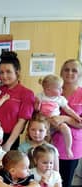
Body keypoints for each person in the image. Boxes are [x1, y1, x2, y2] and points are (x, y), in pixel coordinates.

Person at [0, 51, 35, 151]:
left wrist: (8, 144)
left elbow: (21, 122)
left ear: (17, 72)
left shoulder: (26, 93)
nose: (4, 76)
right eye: (1, 72)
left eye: (8, 72)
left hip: (9, 138)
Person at [50, 59, 82, 187]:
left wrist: (65, 119)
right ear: (61, 72)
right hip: (50, 143)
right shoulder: (52, 90)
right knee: (48, 181)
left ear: (79, 74)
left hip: (71, 147)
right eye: (66, 69)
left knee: (64, 183)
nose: (70, 73)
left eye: (74, 70)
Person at [35, 74, 82, 158]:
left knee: (66, 129)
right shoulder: (40, 96)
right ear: (48, 90)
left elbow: (69, 110)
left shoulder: (60, 99)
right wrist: (37, 105)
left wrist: (77, 117)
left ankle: (68, 148)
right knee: (45, 138)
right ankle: (44, 153)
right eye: (59, 88)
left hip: (56, 122)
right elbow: (36, 110)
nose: (61, 90)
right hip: (45, 122)